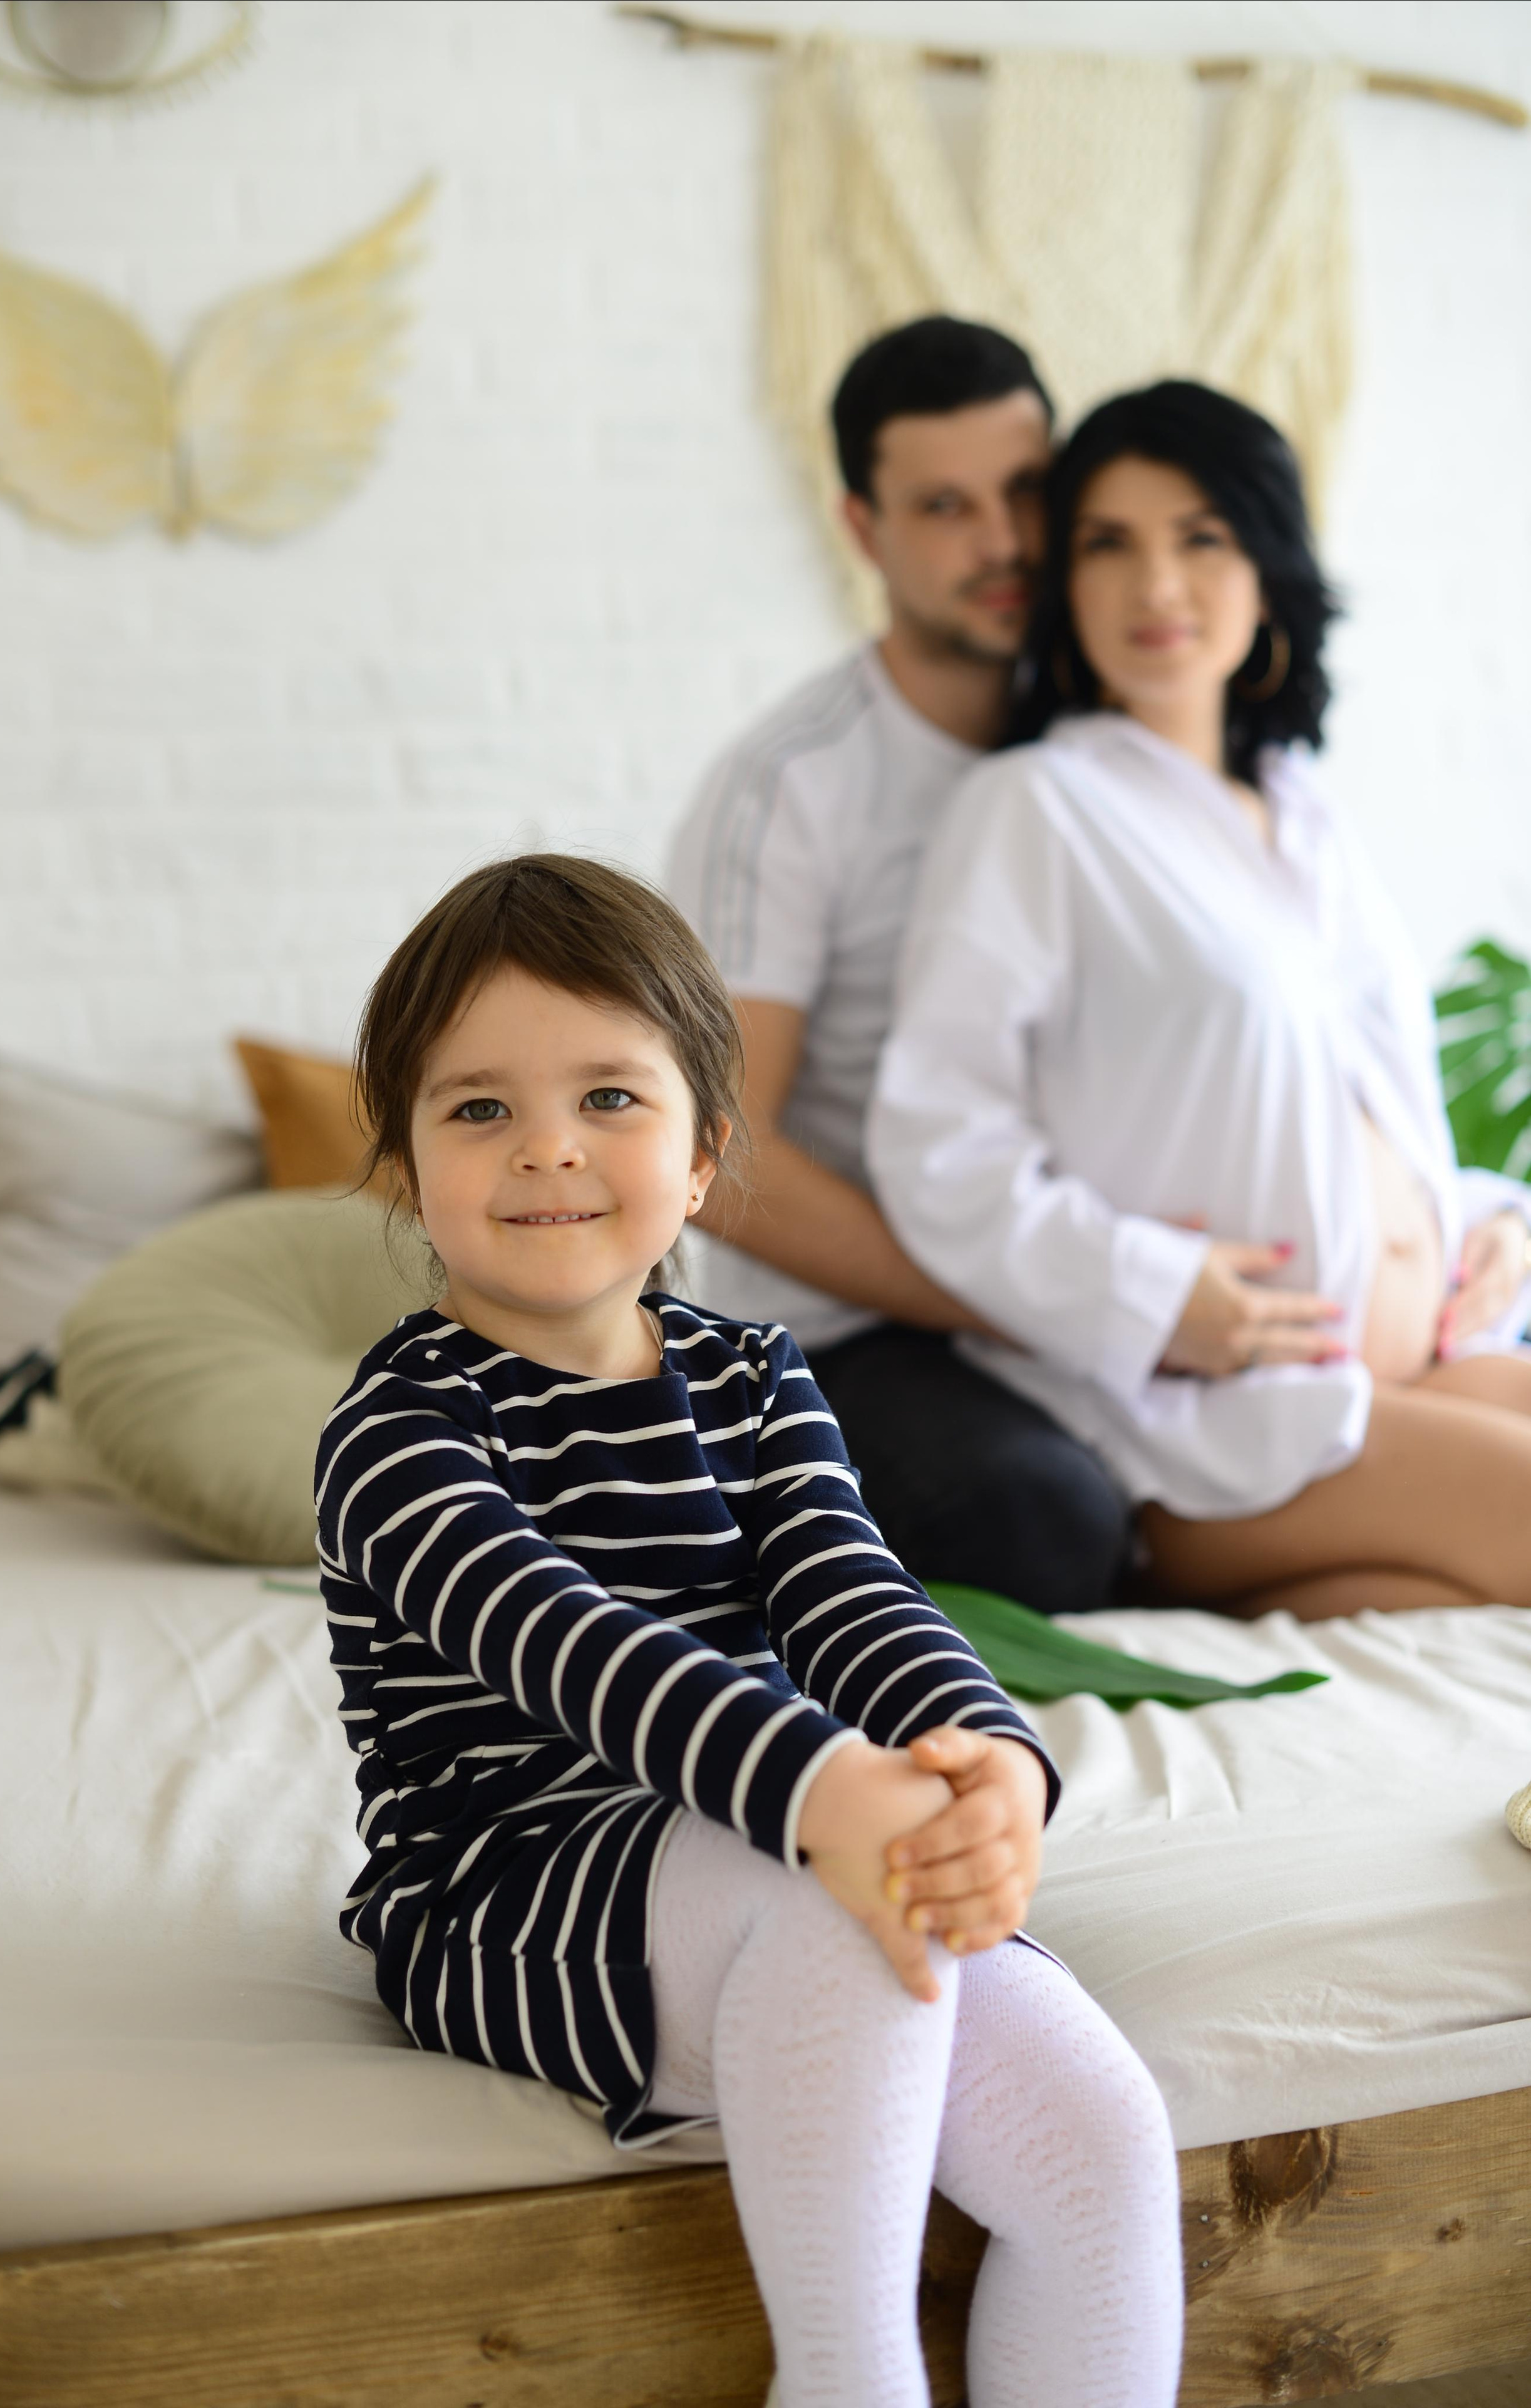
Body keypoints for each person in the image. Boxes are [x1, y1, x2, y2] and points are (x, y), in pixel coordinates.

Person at [316, 854, 1183, 2408]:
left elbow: (847, 1588)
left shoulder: (754, 1373)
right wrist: (826, 1793)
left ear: (706, 1156)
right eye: (475, 1110)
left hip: (791, 1838)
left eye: (608, 1099)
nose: (545, 1151)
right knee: (850, 1899)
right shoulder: (396, 1429)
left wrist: (983, 1759)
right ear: (400, 1169)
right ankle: (843, 2380)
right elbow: (566, 1642)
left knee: (1102, 2149)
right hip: (515, 1886)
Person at [870, 381, 1531, 1622]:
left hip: (1412, 1368)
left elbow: (1354, 1100)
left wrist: (1486, 1222)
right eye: (1105, 544)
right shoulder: (1033, 810)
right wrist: (1149, 1293)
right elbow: (935, 1142)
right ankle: (1205, 1563)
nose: (1152, 585)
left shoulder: (1303, 815)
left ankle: (1291, 1600)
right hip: (1214, 1422)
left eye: (1198, 537)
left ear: (1266, 563)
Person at [669, 316, 1132, 1616]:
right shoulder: (793, 786)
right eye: (942, 507)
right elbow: (721, 1156)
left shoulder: (1118, 738)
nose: (1002, 542)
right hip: (856, 1330)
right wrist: (1007, 1297)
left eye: (1026, 492)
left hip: (1073, 1273)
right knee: (1042, 1518)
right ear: (863, 532)